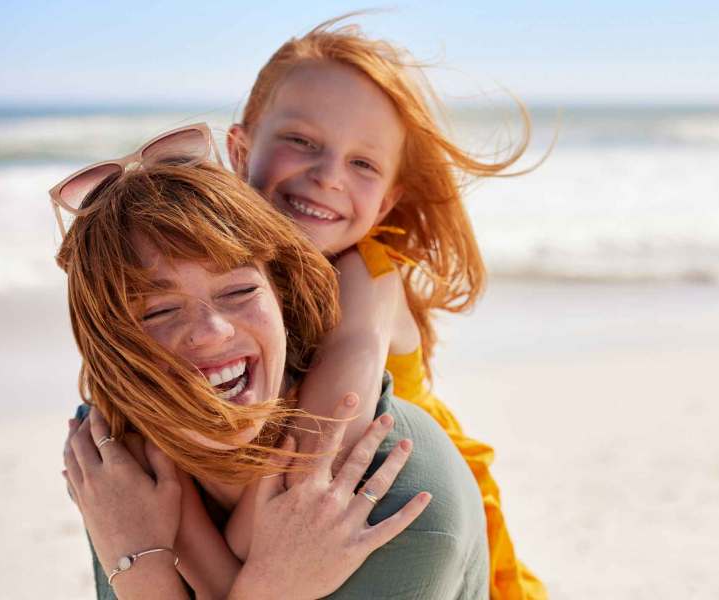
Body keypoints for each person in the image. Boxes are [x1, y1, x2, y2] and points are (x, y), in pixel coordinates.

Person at [54, 139, 490, 598]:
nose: (212, 331)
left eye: (239, 291)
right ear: (109, 347)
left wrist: (140, 570)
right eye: (158, 311)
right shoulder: (115, 474)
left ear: (281, 296)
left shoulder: (399, 507)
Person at [226, 17, 548, 600]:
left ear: (386, 202)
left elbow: (315, 460)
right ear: (239, 148)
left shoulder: (368, 279)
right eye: (302, 141)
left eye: (363, 164)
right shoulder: (216, 276)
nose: (328, 176)